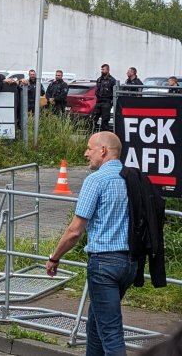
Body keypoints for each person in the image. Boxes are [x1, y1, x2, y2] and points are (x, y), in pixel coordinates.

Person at [46, 132, 136, 356]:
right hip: (130, 263)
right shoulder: (133, 177)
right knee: (96, 324)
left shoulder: (95, 181)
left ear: (103, 151)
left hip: (104, 264)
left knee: (111, 331)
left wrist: (54, 257)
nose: (86, 153)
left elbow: (74, 231)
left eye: (89, 148)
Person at [92, 64, 117, 131]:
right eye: (101, 69)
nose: (102, 71)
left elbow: (114, 92)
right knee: (93, 119)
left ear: (108, 70)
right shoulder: (99, 79)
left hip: (107, 102)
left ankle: (104, 136)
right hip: (99, 102)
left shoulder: (112, 80)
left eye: (103, 69)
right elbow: (97, 90)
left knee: (105, 121)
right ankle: (91, 134)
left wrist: (111, 103)